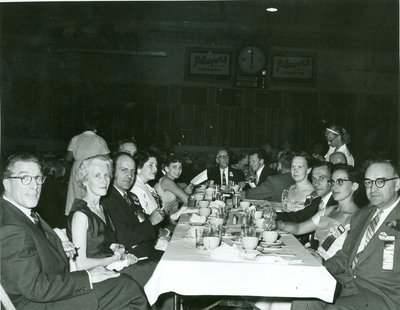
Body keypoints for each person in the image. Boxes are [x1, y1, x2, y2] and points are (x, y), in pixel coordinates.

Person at [0, 153, 148, 310]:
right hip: (40, 303)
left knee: (125, 289)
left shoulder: (20, 212)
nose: (34, 186)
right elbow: (36, 288)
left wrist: (59, 243)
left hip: (52, 290)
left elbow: (34, 250)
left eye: (38, 178)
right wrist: (88, 276)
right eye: (25, 178)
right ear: (7, 184)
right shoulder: (10, 227)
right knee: (127, 287)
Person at [292, 159, 400, 310]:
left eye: (380, 182)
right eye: (369, 182)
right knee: (303, 301)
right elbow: (345, 255)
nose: (373, 188)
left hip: (382, 294)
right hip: (347, 283)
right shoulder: (362, 215)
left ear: (396, 184)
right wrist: (321, 266)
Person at [68, 155, 156, 290]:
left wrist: (122, 254)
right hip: (97, 279)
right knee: (154, 270)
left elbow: (105, 245)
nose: (104, 181)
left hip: (112, 268)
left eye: (106, 175)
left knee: (157, 269)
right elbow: (81, 264)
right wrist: (116, 258)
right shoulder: (81, 215)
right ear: (85, 180)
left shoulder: (101, 208)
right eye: (97, 176)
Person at [275, 165, 360, 261]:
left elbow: (349, 258)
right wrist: (277, 224)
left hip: (333, 269)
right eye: (332, 182)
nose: (334, 187)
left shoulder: (359, 218)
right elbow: (299, 228)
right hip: (316, 260)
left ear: (354, 186)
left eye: (340, 182)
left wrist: (322, 260)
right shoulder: (328, 211)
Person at [103, 152, 164, 260]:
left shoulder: (130, 196)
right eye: (124, 170)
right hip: (131, 259)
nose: (129, 176)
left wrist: (153, 220)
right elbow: (121, 237)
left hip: (146, 251)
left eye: (132, 171)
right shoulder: (107, 200)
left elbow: (141, 221)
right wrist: (151, 222)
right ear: (112, 172)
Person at [65, 118, 110, 215]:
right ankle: (91, 215)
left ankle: (74, 215)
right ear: (95, 129)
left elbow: (68, 158)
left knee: (75, 194)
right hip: (94, 169)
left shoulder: (76, 138)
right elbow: (107, 159)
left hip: (78, 168)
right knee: (91, 193)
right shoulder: (100, 140)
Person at [154, 155, 194, 222]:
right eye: (174, 167)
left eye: (180, 167)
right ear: (167, 169)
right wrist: (185, 193)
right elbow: (188, 200)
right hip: (165, 222)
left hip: (170, 218)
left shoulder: (167, 179)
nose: (178, 170)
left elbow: (170, 201)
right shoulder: (167, 181)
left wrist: (185, 191)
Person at [131, 151, 165, 217]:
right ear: (138, 168)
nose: (155, 169)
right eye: (150, 165)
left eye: (156, 165)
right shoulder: (136, 189)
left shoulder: (146, 185)